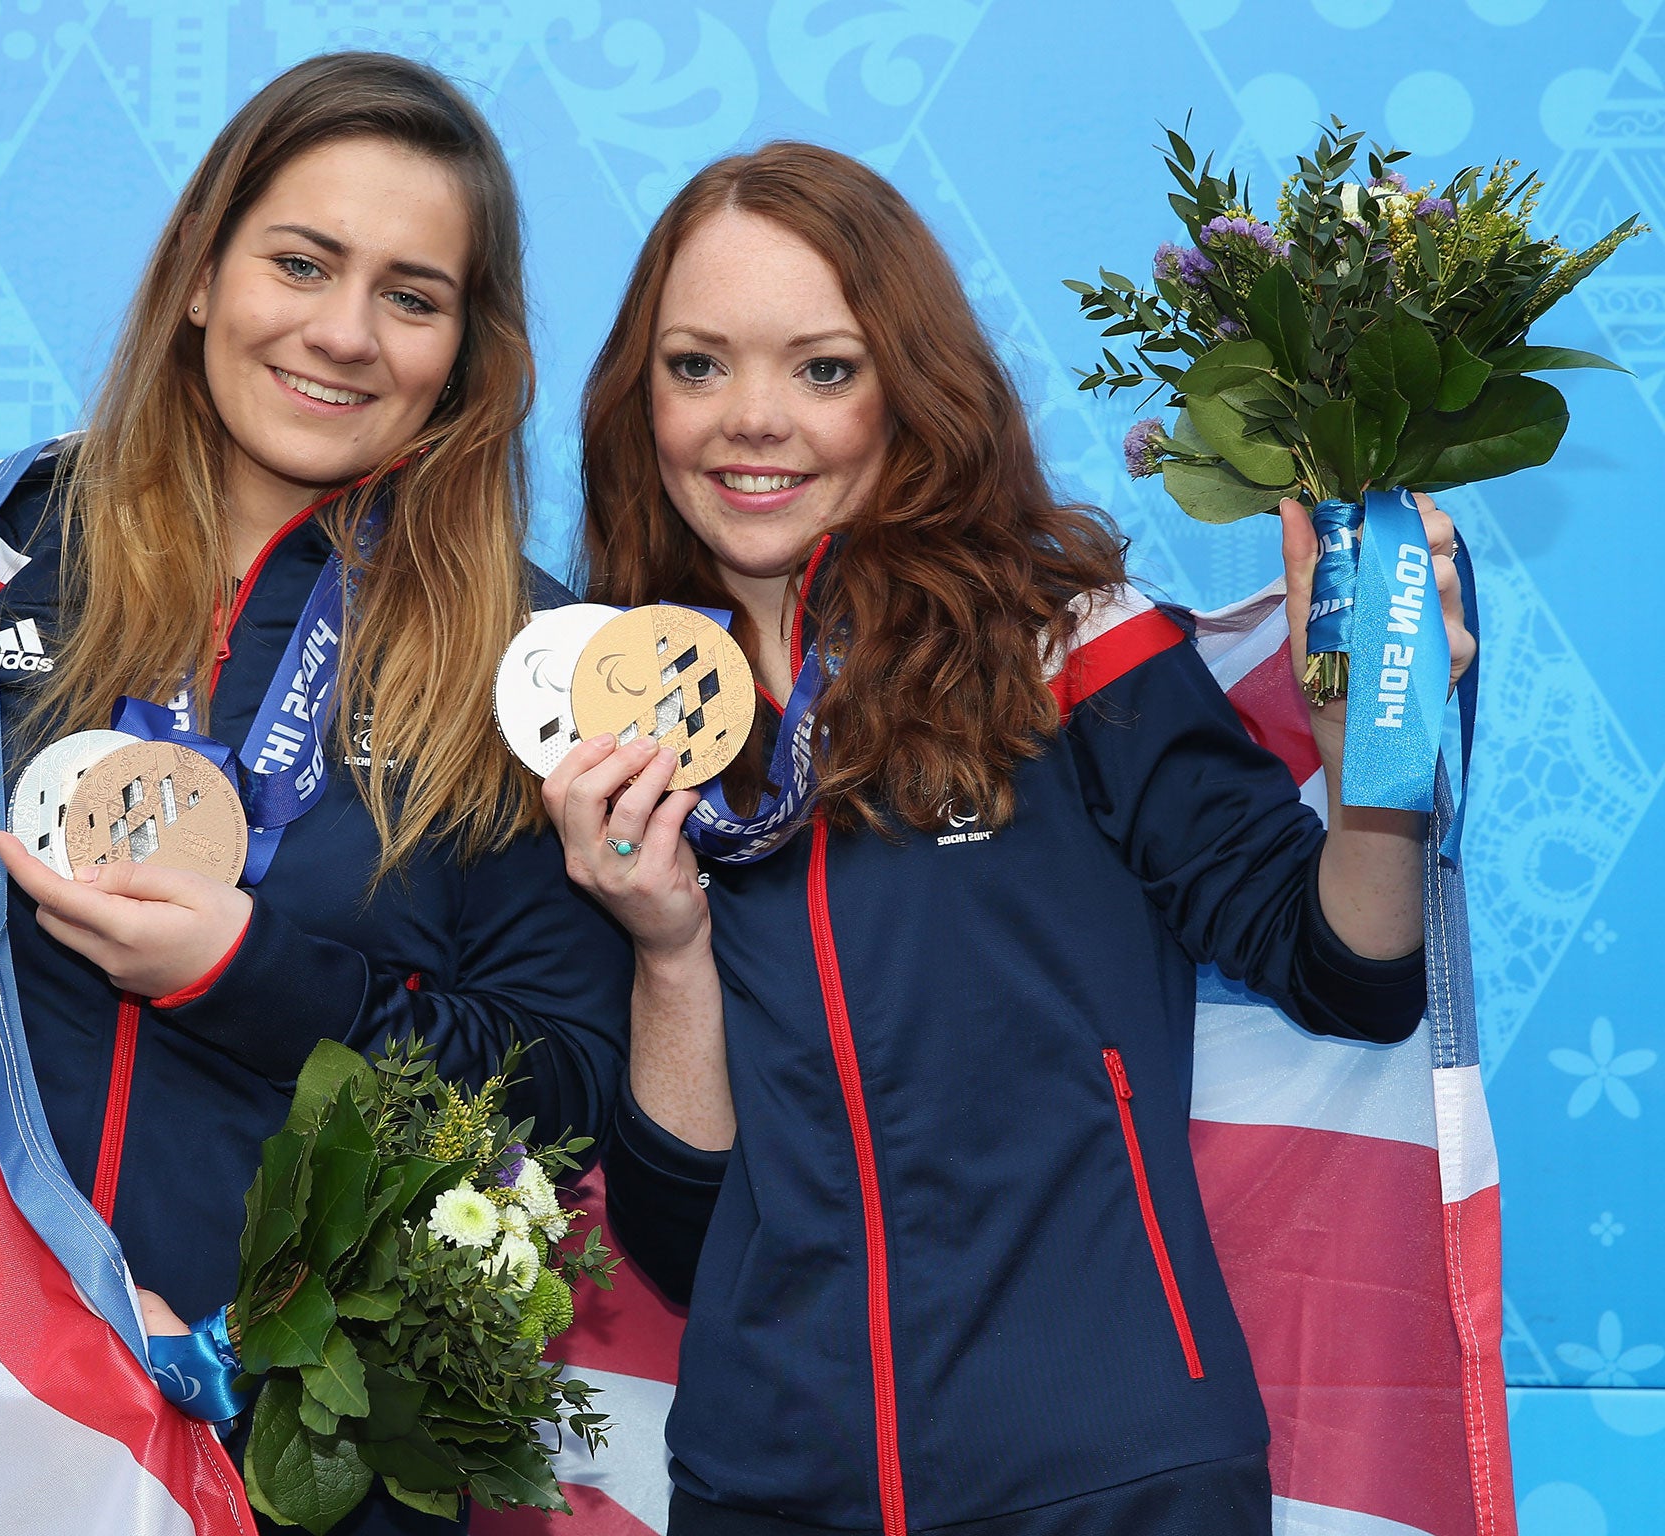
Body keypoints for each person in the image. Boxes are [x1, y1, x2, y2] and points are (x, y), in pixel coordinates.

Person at [542, 142, 1472, 1535]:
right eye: (696, 366)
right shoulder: (615, 726)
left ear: (910, 390)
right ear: (637, 397)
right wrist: (668, 947)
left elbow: (1349, 972)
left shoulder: (1065, 646)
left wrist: (1374, 774)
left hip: (1113, 1479)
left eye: (822, 367)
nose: (751, 422)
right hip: (769, 1487)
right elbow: (682, 1248)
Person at [0, 53, 628, 1531]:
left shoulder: (521, 667)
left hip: (320, 1468)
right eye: (302, 261)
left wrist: (247, 975)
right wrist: (33, 1278)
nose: (343, 332)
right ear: (202, 275)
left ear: (467, 351)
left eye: (412, 295)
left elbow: (559, 1086)